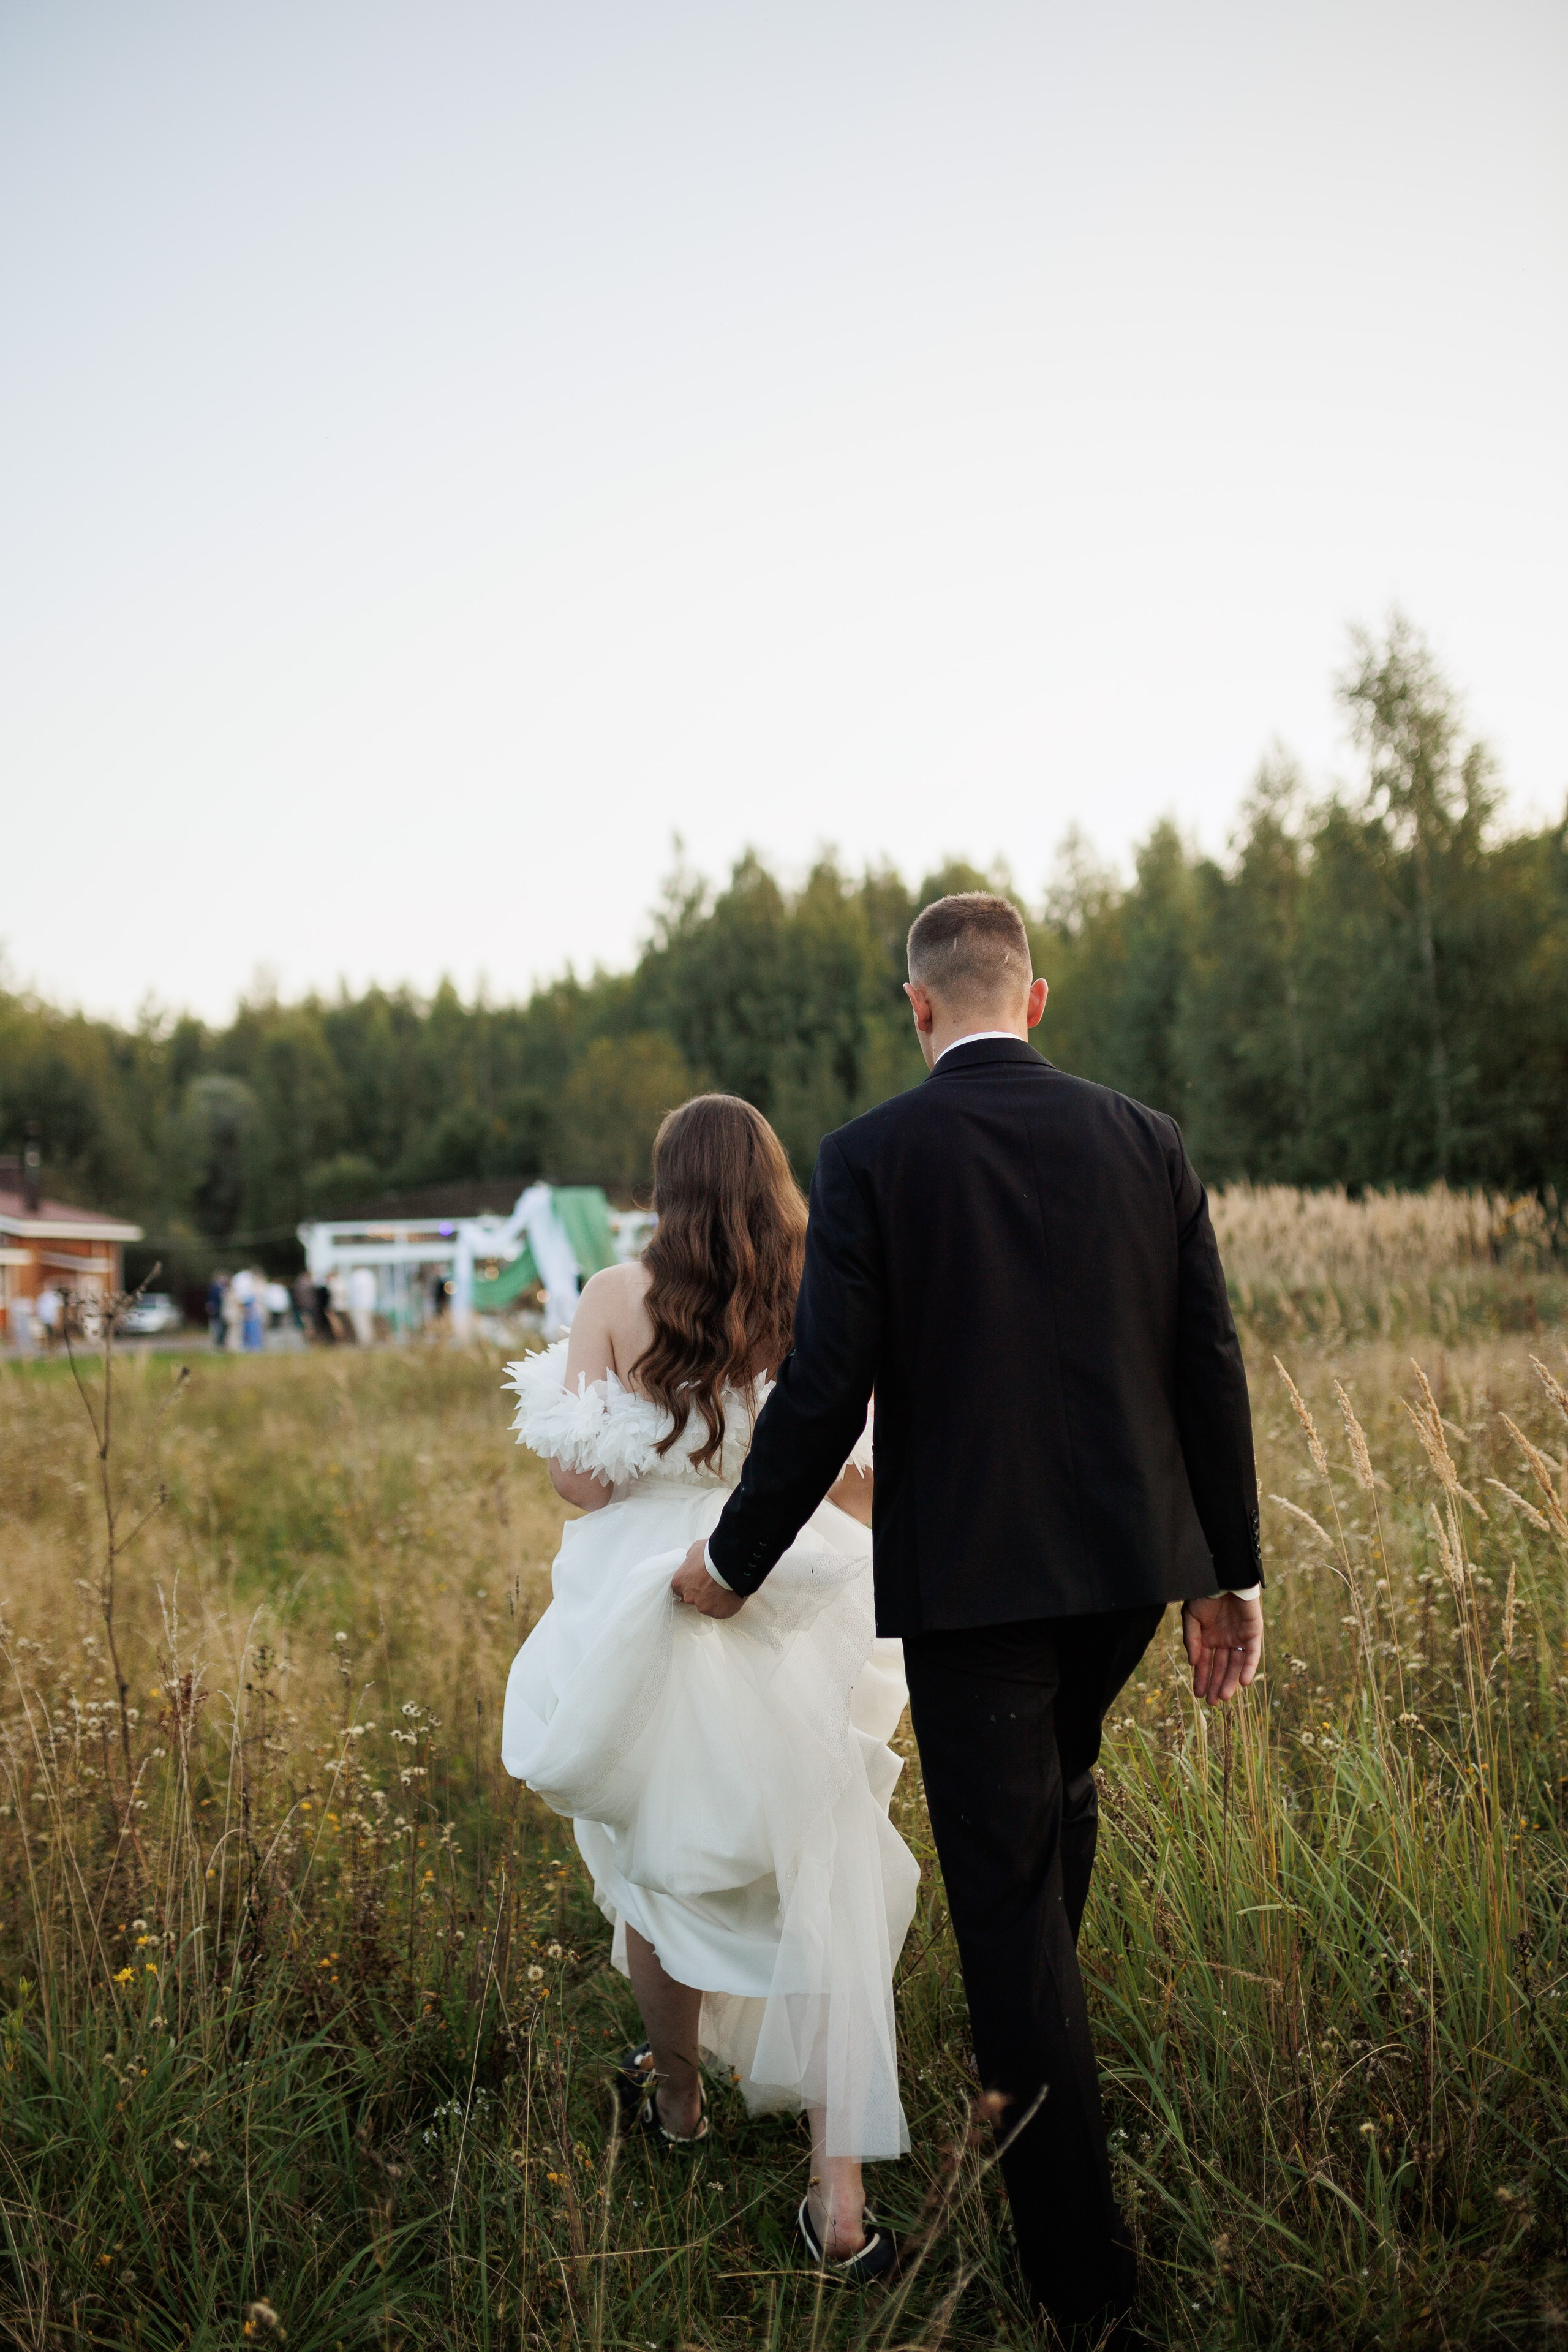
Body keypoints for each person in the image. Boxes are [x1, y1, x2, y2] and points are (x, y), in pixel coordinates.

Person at [672, 892, 1264, 2346]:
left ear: (916, 1004)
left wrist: (729, 1561)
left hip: (976, 1589)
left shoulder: (871, 1155)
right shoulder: (1147, 1139)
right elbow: (1208, 1359)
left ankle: (1083, 2292)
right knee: (1051, 1803)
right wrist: (1227, 1569)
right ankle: (1034, 2021)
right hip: (1125, 1570)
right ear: (1035, 997)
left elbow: (820, 1391)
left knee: (1004, 1905)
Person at [501, 1095, 918, 2277]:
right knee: (823, 1872)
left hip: (652, 1602)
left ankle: (677, 2105)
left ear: (666, 1186)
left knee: (654, 1857)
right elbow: (865, 1479)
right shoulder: (822, 1289)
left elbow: (581, 1486)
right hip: (798, 1583)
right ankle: (838, 2210)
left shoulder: (616, 1300)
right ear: (778, 1182)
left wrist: (666, 1454)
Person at [347, 1264, 377, 1348]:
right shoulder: (369, 1275)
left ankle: (365, 1342)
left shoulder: (356, 1277)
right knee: (368, 1323)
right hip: (370, 1304)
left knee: (361, 1324)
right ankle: (369, 1341)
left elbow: (353, 1292)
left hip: (359, 1304)